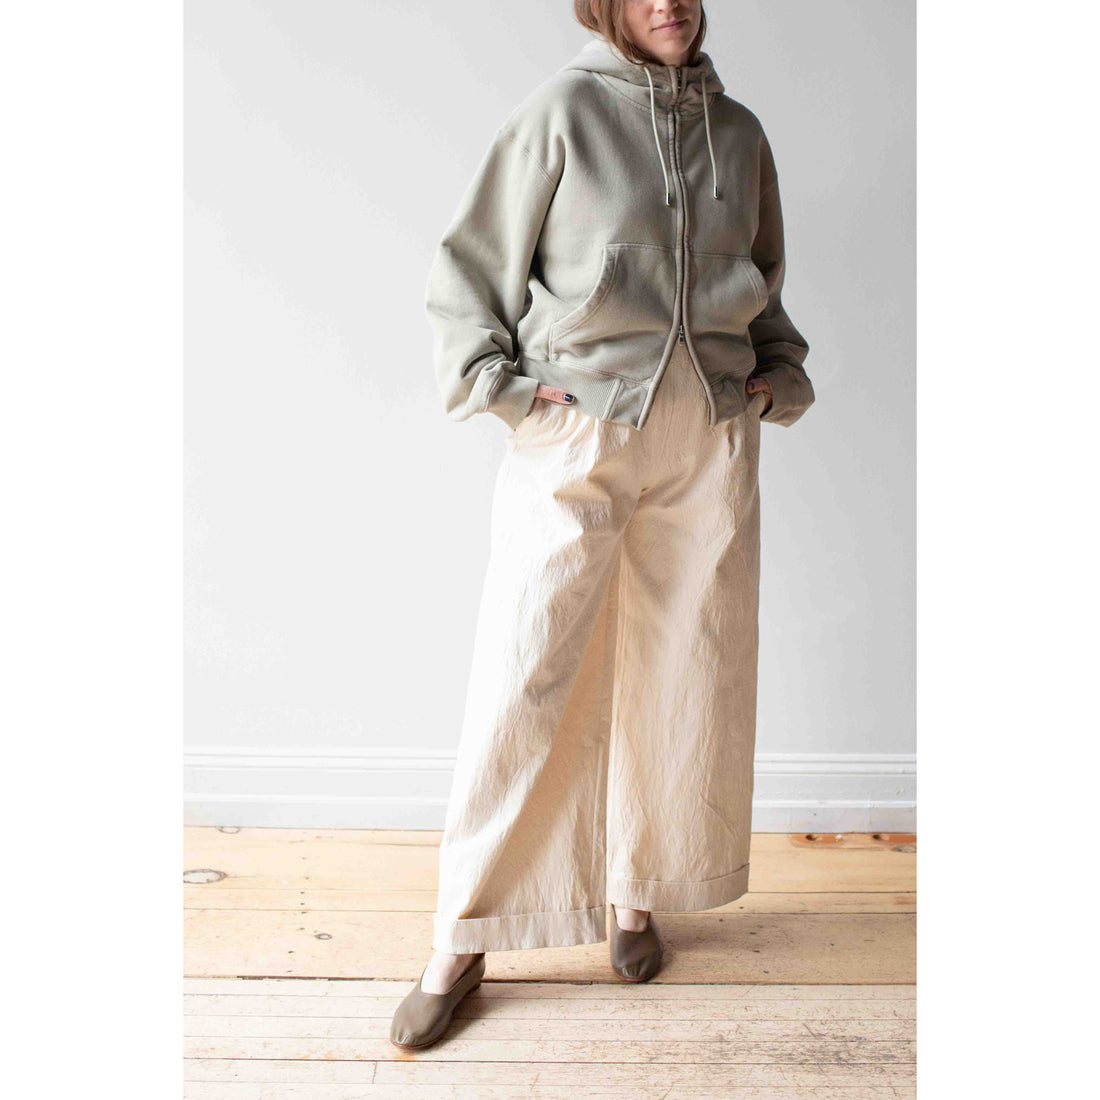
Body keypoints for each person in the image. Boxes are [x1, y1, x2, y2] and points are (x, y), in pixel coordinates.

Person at [391, 0, 814, 1050]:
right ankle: (464, 934)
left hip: (707, 434)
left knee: (683, 672)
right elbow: (469, 271)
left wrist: (772, 379)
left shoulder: (739, 132)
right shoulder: (561, 113)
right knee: (527, 670)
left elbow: (760, 289)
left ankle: (638, 889)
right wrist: (503, 388)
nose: (667, 2)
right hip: (580, 427)